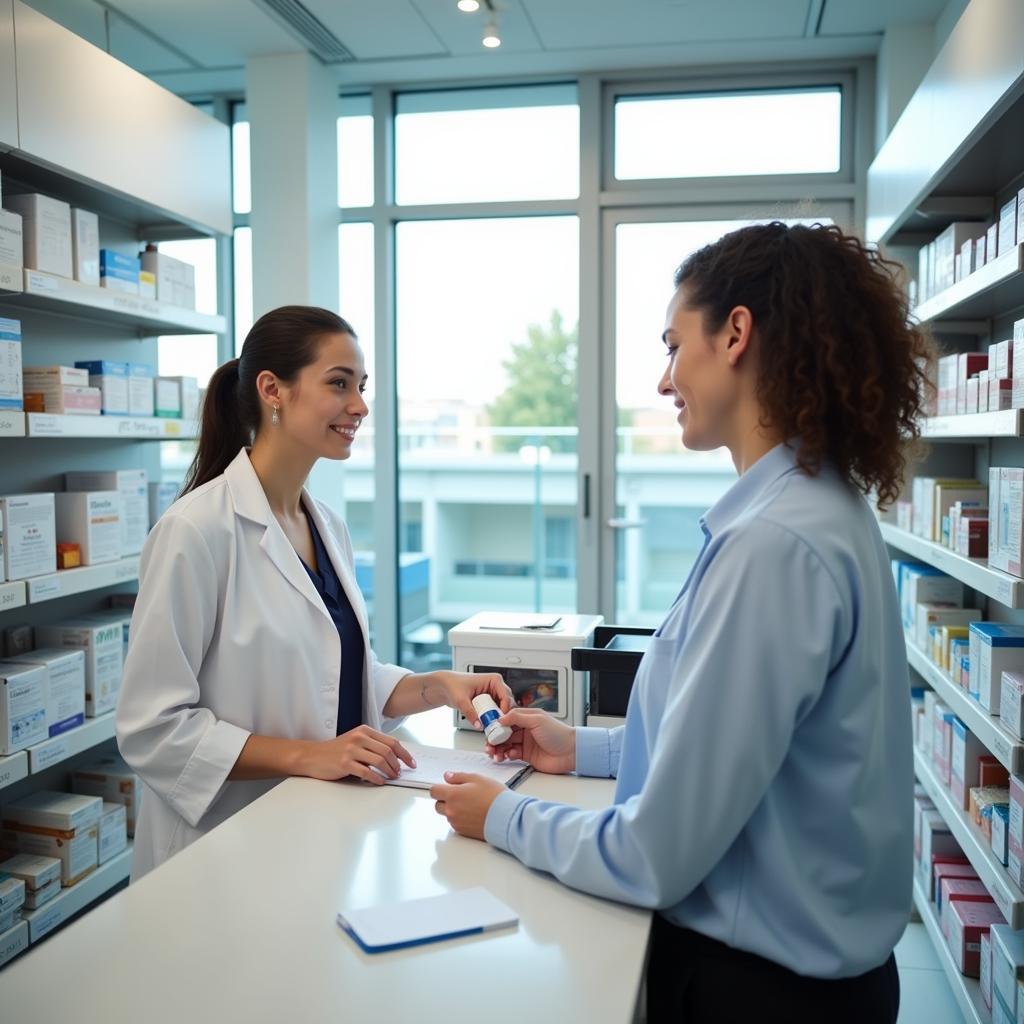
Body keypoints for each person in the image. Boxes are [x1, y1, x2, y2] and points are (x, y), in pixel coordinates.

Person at [431, 223, 929, 1023]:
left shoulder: (775, 543)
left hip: (762, 992)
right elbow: (744, 749)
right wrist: (582, 746)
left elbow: (657, 854)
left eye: (672, 346)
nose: (665, 380)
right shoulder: (810, 508)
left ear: (736, 333)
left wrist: (505, 816)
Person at [117, 305, 511, 880]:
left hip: (315, 833)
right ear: (273, 389)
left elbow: (336, 671)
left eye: (361, 387)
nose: (360, 406)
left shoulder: (325, 525)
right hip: (222, 852)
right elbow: (152, 726)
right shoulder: (196, 531)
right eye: (339, 384)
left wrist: (437, 686)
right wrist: (311, 755)